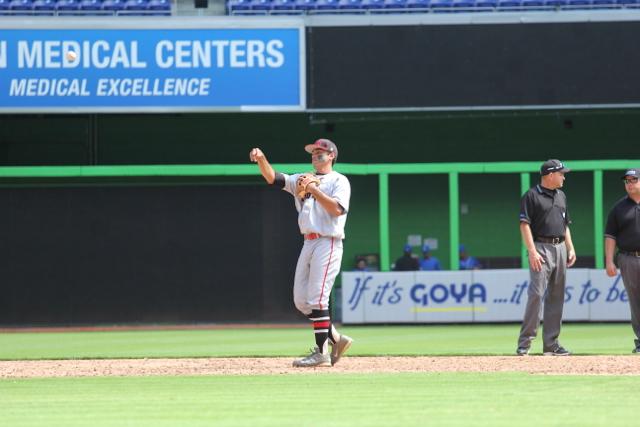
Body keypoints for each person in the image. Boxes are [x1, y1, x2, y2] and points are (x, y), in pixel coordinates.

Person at [249, 139, 353, 368]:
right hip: (309, 242)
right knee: (301, 301)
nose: (316, 156)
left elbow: (336, 210)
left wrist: (314, 189)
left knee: (317, 298)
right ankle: (336, 338)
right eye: (313, 153)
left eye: (321, 153)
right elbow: (273, 178)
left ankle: (322, 353)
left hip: (328, 241)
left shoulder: (339, 181)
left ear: (332, 156)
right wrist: (261, 159)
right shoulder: (303, 179)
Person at [516, 159, 576, 356]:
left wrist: (570, 247)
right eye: (561, 173)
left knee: (557, 297)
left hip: (560, 247)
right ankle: (525, 343)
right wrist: (532, 251)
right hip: (540, 247)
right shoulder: (531, 196)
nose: (564, 177)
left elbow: (565, 224)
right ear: (550, 175)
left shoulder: (562, 196)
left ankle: (551, 345)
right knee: (536, 295)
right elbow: (524, 225)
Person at [604, 168, 640, 354]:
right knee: (635, 301)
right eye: (627, 181)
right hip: (628, 258)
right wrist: (609, 261)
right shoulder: (619, 208)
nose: (630, 183)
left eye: (634, 179)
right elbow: (610, 236)